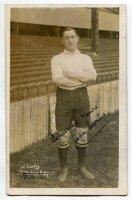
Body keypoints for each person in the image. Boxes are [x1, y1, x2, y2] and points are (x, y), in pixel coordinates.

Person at [51, 27, 97, 183]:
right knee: (63, 136)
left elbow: (93, 76)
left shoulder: (85, 58)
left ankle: (81, 166)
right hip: (63, 97)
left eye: (72, 37)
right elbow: (58, 79)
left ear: (78, 38)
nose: (69, 40)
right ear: (62, 41)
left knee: (82, 133)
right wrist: (81, 78)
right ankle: (64, 168)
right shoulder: (57, 59)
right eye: (66, 38)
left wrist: (70, 74)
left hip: (81, 97)